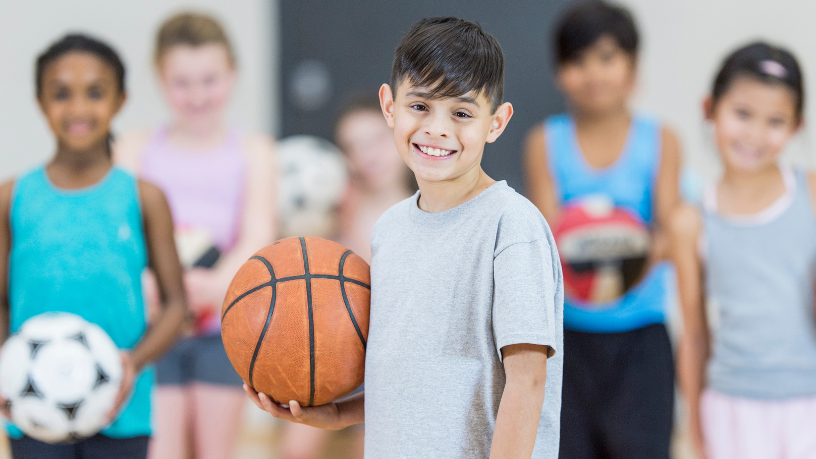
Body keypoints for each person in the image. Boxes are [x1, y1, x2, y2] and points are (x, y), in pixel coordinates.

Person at [246, 17, 564, 459]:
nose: (436, 128)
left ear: (496, 122)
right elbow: (409, 380)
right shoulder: (390, 229)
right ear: (389, 106)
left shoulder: (512, 226)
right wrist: (337, 415)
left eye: (462, 113)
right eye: (420, 106)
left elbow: (527, 382)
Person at [0, 34, 187, 459]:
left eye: (96, 93)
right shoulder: (12, 197)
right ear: (40, 101)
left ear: (120, 100)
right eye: (62, 93)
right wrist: (6, 369)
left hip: (122, 412)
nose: (79, 108)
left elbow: (177, 306)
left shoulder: (144, 198)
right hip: (32, 409)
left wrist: (132, 365)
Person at [522, 2, 681, 458]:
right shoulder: (544, 142)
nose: (593, 72)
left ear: (632, 68)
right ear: (559, 73)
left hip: (642, 335)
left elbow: (670, 232)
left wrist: (623, 259)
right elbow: (549, 239)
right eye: (577, 60)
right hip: (567, 336)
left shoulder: (660, 139)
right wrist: (587, 256)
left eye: (607, 57)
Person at [114, 12, 276, 459]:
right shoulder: (134, 148)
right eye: (182, 82)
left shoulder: (254, 152)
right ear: (160, 79)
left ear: (232, 74)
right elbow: (124, 237)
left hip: (223, 326)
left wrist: (215, 285)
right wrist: (160, 289)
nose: (198, 94)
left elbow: (258, 233)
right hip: (154, 326)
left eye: (210, 79)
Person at [671, 42, 816, 459]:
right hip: (733, 410)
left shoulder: (810, 193)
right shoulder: (691, 222)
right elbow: (695, 336)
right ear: (709, 108)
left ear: (796, 126)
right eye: (742, 114)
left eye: (775, 121)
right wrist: (696, 434)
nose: (754, 134)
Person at [276, 95, 415, 459]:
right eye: (351, 146)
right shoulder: (325, 213)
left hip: (393, 354)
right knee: (295, 448)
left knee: (371, 449)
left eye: (375, 141)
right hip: (333, 346)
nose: (366, 155)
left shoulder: (424, 213)